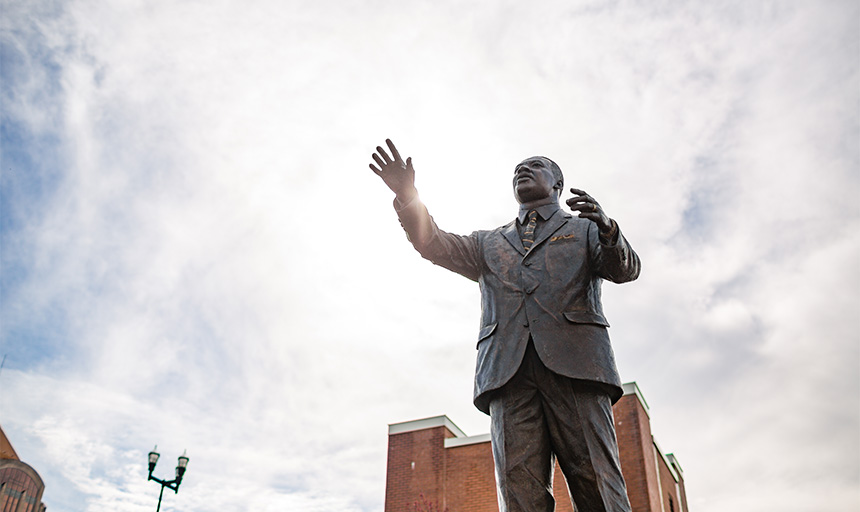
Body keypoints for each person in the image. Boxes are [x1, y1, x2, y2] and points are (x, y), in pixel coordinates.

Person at [370, 139, 640, 512]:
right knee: (519, 494)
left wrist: (609, 230)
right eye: (517, 170)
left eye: (534, 166)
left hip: (576, 367)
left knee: (597, 483)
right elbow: (432, 243)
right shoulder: (489, 243)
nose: (522, 171)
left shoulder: (585, 229)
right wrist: (408, 197)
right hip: (507, 375)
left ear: (558, 185)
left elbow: (624, 269)